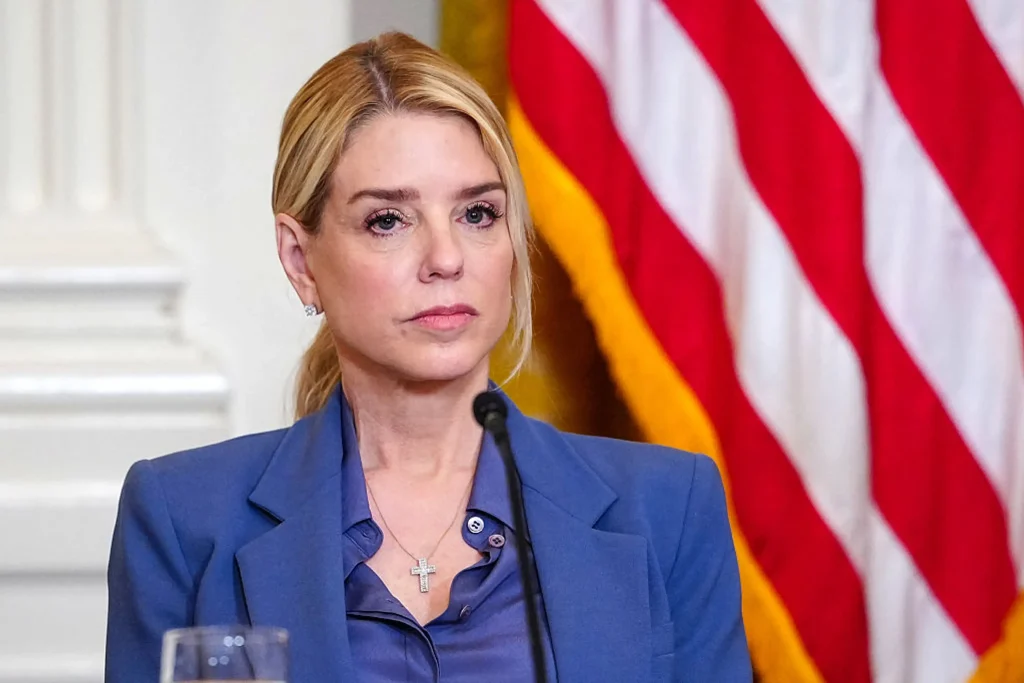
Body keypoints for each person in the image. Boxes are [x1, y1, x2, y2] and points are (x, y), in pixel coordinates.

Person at [104, 31, 751, 683]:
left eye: (478, 213)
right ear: (301, 261)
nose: (446, 258)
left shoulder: (668, 508)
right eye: (388, 220)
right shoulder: (183, 518)